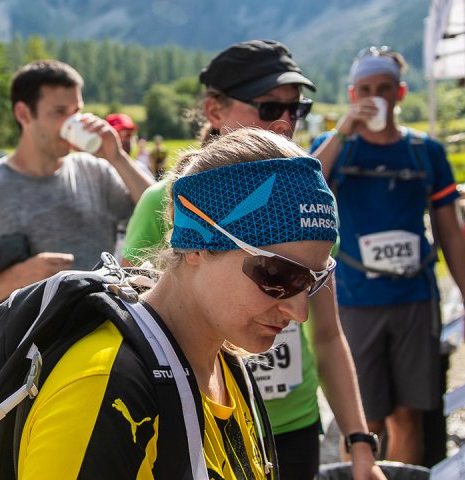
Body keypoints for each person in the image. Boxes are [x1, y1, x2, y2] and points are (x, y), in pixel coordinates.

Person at [121, 39, 383, 480]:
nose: (284, 122)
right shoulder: (169, 201)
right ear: (214, 111)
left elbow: (327, 335)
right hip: (191, 412)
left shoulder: (306, 204)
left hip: (288, 420)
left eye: (296, 109)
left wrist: (359, 440)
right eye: (267, 107)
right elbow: (134, 321)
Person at [17, 128, 340, 478]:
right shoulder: (101, 390)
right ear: (199, 243)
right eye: (278, 275)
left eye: (312, 280)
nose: (299, 312)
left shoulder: (224, 362)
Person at [310, 45, 465, 466]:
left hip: (415, 299)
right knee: (365, 422)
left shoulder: (425, 152)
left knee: (409, 417)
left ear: (400, 93)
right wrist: (343, 131)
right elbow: (303, 183)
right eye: (364, 89)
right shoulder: (336, 147)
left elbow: (450, 231)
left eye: (383, 88)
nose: (374, 97)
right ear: (352, 95)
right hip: (356, 299)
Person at [0, 60, 154, 385]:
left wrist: (117, 157)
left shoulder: (95, 171)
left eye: (77, 110)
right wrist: (19, 276)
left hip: (100, 350)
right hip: (22, 364)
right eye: (59, 112)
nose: (73, 122)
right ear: (23, 114)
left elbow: (157, 212)